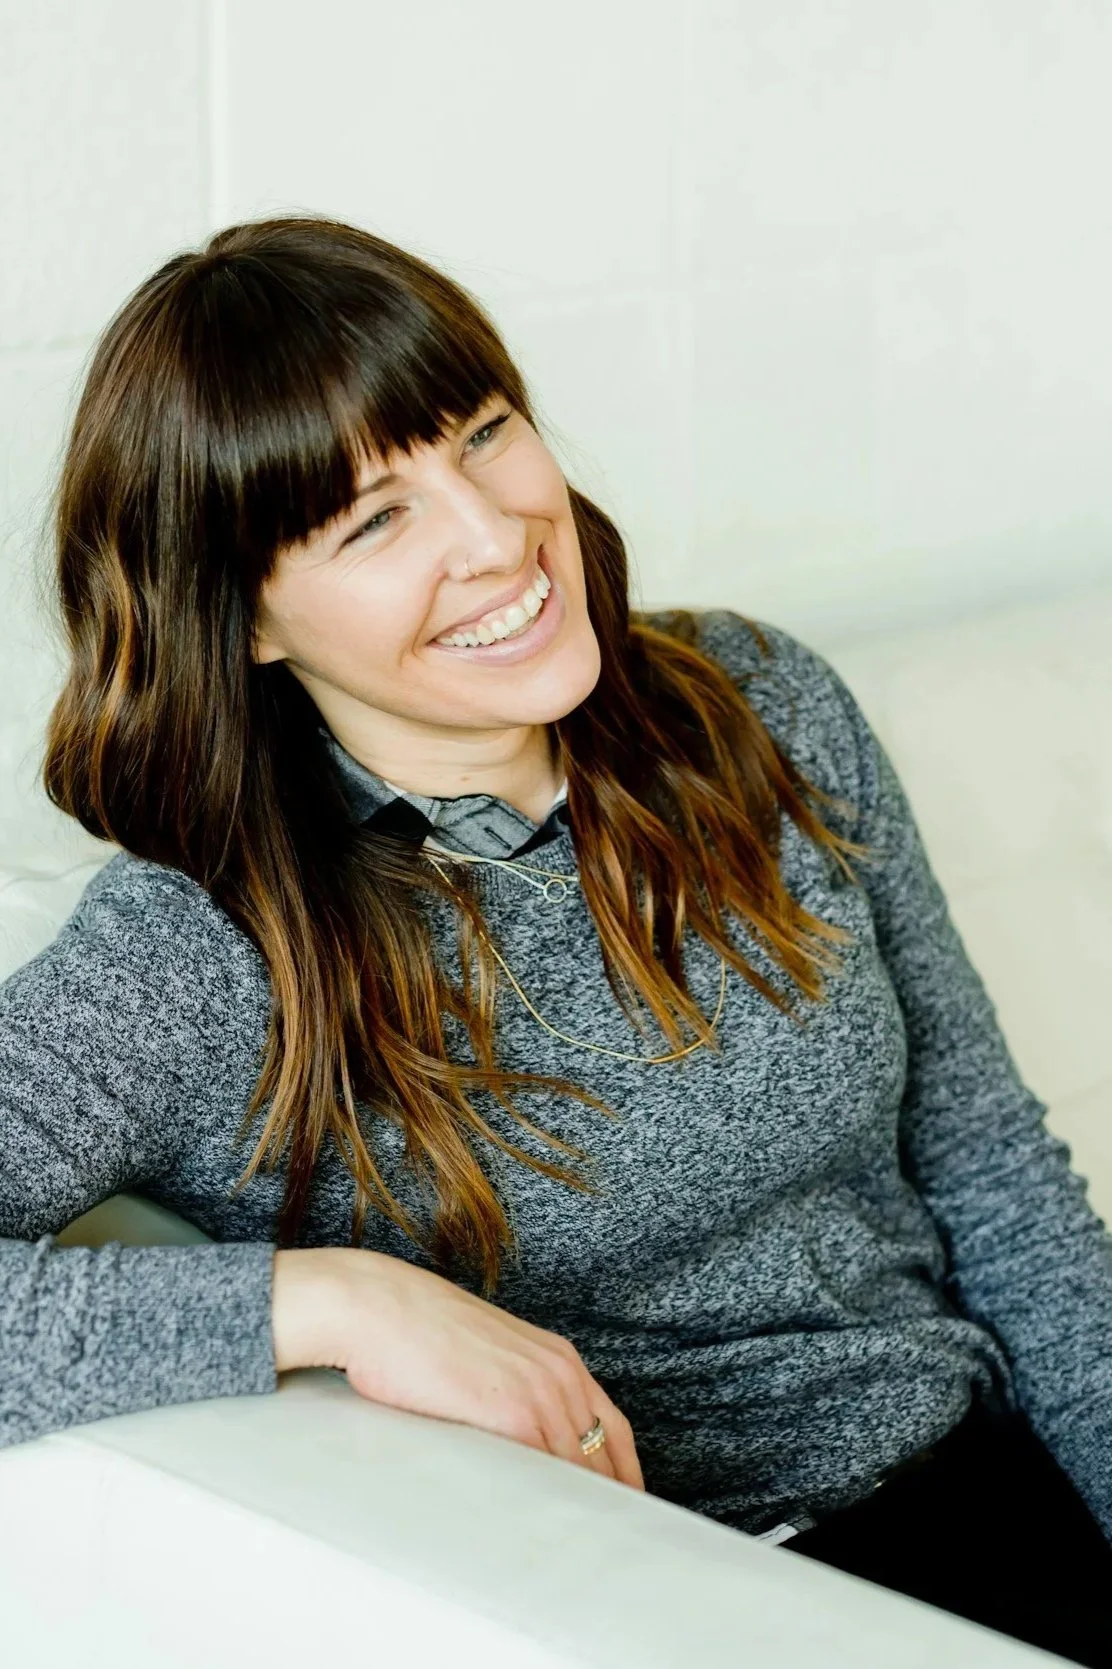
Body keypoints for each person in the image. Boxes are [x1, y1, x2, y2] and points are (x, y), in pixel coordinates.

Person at [2, 213, 1110, 1663]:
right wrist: (331, 1300)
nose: (494, 535)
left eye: (483, 434)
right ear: (246, 619)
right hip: (683, 1606)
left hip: (996, 1493)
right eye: (373, 521)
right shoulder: (203, 946)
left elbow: (993, 1171)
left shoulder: (757, 701)